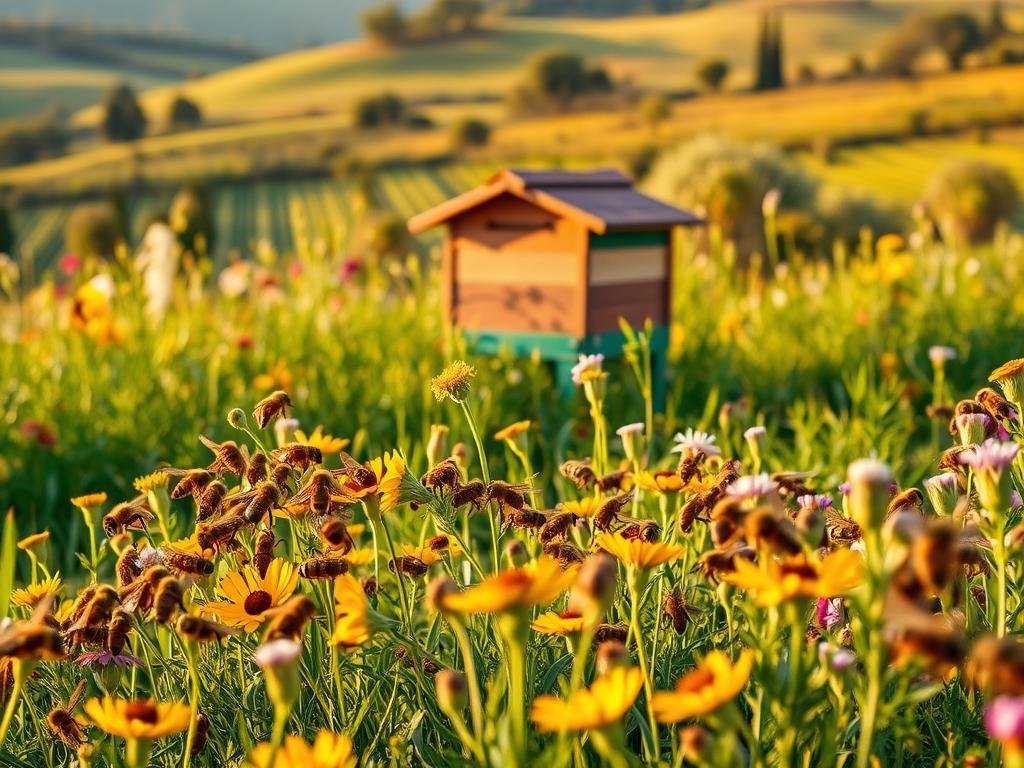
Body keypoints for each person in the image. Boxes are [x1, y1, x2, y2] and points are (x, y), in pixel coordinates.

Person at [134, 215, 179, 321]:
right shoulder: (170, 235)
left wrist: (138, 265)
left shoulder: (155, 231)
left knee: (154, 309)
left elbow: (145, 253)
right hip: (164, 277)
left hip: (155, 276)